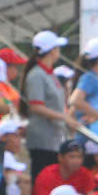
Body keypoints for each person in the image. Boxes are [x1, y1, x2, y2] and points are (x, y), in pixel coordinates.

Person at [19, 30, 75, 169]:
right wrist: (63, 117)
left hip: (53, 137)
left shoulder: (48, 74)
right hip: (42, 139)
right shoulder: (37, 75)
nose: (59, 50)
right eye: (56, 47)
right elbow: (36, 106)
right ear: (50, 50)